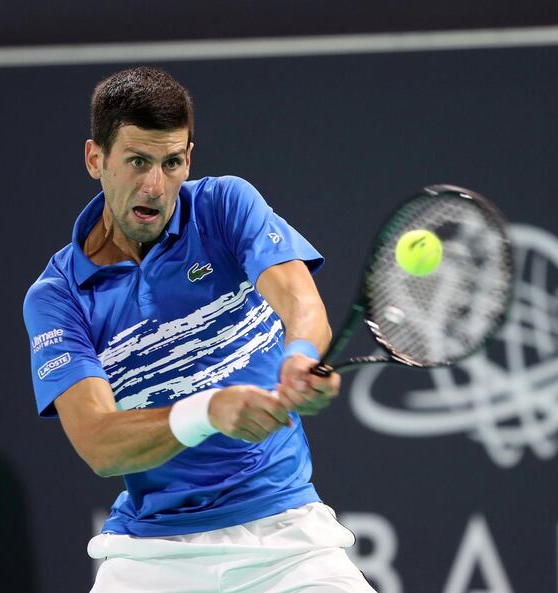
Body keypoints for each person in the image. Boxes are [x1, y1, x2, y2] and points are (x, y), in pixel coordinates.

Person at [23, 66, 376, 593]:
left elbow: (301, 299)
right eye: (137, 161)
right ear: (96, 159)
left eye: (171, 163)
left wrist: (300, 355)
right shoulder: (58, 297)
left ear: (189, 158)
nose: (154, 185)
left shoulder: (225, 207)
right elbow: (99, 442)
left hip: (285, 540)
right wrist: (208, 412)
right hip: (151, 558)